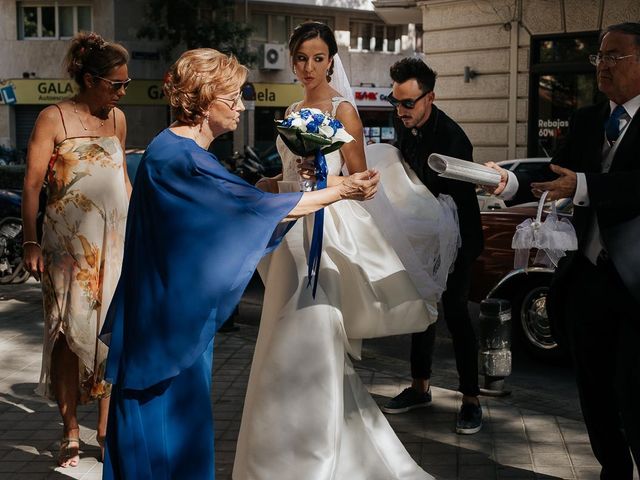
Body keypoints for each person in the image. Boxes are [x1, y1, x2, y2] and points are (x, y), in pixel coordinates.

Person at [99, 47, 379, 480]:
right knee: (165, 440)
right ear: (205, 100)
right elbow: (249, 209)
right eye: (232, 99)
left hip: (170, 318)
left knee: (177, 435)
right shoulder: (180, 158)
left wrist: (296, 182)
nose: (241, 106)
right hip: (167, 328)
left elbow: (240, 198)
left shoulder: (176, 150)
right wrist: (340, 192)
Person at [233, 22, 459, 480]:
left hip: (324, 239)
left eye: (318, 57)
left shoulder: (344, 110)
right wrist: (270, 183)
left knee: (312, 341)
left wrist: (322, 178)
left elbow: (364, 186)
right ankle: (278, 455)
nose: (308, 66)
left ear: (331, 60)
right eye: (301, 58)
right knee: (278, 340)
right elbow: (284, 178)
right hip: (289, 232)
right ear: (291, 60)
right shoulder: (292, 108)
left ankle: (314, 460)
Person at [487, 22, 640, 479]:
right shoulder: (588, 120)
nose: (602, 66)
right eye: (599, 57)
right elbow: (558, 178)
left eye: (614, 57)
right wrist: (508, 183)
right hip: (588, 283)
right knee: (594, 397)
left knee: (634, 397)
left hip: (636, 287)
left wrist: (586, 185)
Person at [21, 31, 131, 467]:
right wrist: (30, 240)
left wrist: (141, 226)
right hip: (66, 247)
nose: (122, 92)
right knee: (67, 335)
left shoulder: (118, 120)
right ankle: (69, 431)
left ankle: (104, 431)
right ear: (89, 78)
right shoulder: (54, 118)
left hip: (115, 242)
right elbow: (31, 185)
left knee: (111, 335)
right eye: (115, 84)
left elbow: (121, 178)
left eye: (125, 84)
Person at [381, 57, 485, 435]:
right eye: (396, 101)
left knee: (456, 315)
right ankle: (420, 387)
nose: (401, 111)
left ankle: (471, 400)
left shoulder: (455, 139)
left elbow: (458, 203)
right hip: (422, 233)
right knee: (420, 310)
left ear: (430, 98)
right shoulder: (401, 122)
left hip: (458, 235)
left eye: (408, 103)